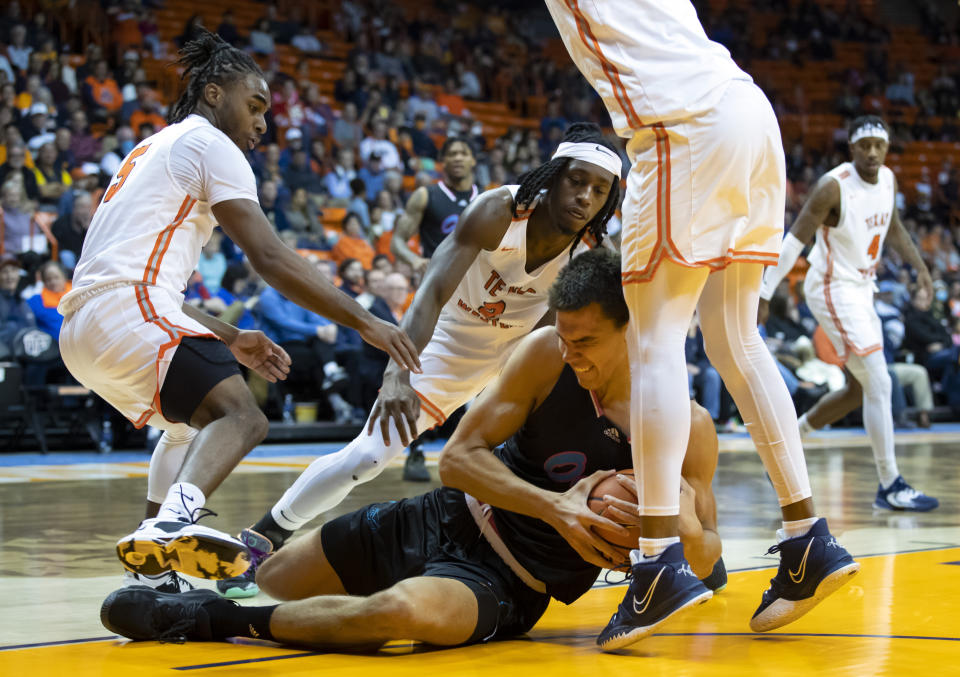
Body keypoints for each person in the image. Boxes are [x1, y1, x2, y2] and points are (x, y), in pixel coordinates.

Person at [101, 249, 727, 648]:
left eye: (585, 340)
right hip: (446, 514)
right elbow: (457, 458)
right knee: (279, 577)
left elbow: (707, 560)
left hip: (512, 582)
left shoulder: (687, 426)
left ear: (633, 330)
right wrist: (556, 506)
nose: (570, 353)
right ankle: (238, 572)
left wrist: (661, 513)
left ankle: (206, 621)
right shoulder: (545, 355)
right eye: (563, 336)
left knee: (403, 614)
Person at [56, 30, 420, 589]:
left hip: (85, 327)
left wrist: (229, 338)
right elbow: (269, 257)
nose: (262, 124)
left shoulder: (151, 145)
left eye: (266, 113)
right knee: (243, 417)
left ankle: (151, 575)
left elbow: (137, 283)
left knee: (183, 431)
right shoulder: (210, 144)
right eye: (254, 106)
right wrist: (366, 321)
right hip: (126, 310)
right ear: (212, 93)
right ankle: (172, 527)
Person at [544, 0, 857, 650]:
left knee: (654, 335)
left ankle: (657, 558)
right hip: (746, 110)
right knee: (735, 336)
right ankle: (809, 539)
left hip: (678, 126)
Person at [214, 122, 622, 598]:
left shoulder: (593, 251)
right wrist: (397, 375)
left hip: (518, 355)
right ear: (553, 175)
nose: (585, 197)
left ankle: (651, 550)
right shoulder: (498, 210)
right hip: (447, 343)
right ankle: (261, 541)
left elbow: (557, 331)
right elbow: (429, 292)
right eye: (577, 180)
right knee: (367, 456)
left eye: (599, 190)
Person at [760, 116, 937, 512]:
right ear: (852, 148)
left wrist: (920, 268)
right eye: (864, 145)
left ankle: (795, 439)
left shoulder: (888, 180)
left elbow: (893, 229)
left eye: (879, 144)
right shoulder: (833, 186)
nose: (872, 152)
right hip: (832, 286)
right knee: (879, 381)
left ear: (887, 148)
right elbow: (794, 240)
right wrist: (765, 291)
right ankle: (890, 484)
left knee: (859, 389)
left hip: (861, 288)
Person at [392, 137, 479, 275]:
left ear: (473, 160)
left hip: (474, 281)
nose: (458, 158)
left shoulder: (486, 198)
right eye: (452, 154)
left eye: (463, 153)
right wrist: (414, 260)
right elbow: (397, 240)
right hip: (437, 280)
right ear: (443, 162)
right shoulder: (425, 195)